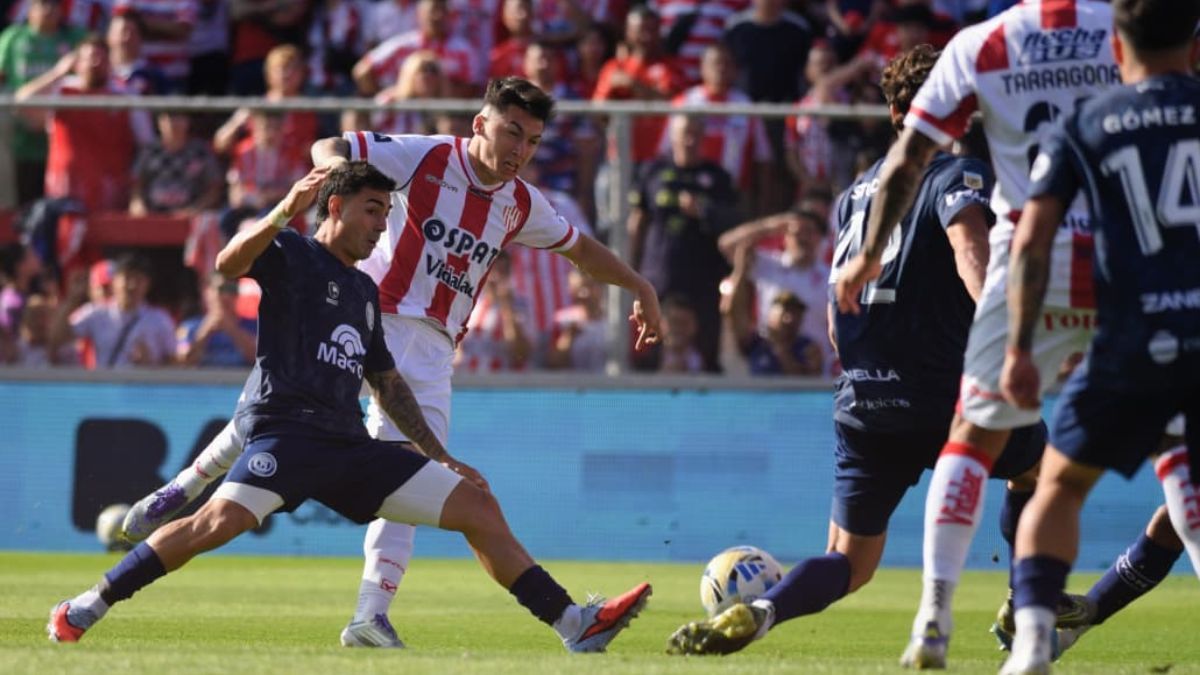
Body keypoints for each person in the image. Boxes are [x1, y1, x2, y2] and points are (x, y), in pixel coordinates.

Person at [119, 77, 663, 648]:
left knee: (407, 475)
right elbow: (331, 146)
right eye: (511, 133)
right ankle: (184, 486)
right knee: (276, 410)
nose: (520, 151)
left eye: (531, 141)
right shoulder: (425, 156)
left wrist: (638, 285)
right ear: (481, 125)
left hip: (431, 351)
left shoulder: (521, 204)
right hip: (363, 311)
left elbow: (581, 249)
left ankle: (369, 616)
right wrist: (332, 175)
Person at [832, 1, 1186, 667]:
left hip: (1027, 257)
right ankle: (1036, 626)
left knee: (973, 438)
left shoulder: (984, 42)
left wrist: (871, 248)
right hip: (1127, 262)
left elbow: (912, 154)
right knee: (1177, 455)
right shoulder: (1121, 29)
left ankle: (934, 617)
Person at [665, 45, 1043, 656]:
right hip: (944, 391)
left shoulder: (856, 193)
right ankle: (1022, 603)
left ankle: (763, 610)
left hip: (863, 399)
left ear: (895, 113)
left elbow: (839, 318)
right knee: (1036, 469)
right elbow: (974, 259)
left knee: (849, 562)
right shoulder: (957, 173)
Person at [998, 2, 1200, 671]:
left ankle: (1032, 642)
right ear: (1194, 48)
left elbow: (1031, 237)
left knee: (1057, 485)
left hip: (1131, 340)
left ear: (1117, 47)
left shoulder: (1090, 121)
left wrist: (1021, 345)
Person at [48, 253, 175, 369]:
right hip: (106, 389)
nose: (132, 285)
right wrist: (72, 299)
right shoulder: (96, 313)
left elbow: (173, 364)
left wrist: (150, 365)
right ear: (114, 281)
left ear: (147, 284)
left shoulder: (160, 319)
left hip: (143, 391)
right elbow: (58, 338)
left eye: (139, 280)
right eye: (127, 277)